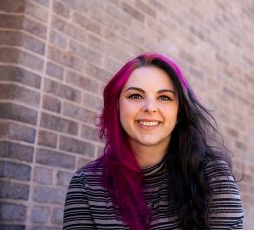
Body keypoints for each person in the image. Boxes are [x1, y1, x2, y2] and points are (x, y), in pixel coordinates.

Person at [63, 53, 244, 230]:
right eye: (135, 96)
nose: (150, 107)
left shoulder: (212, 174)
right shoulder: (85, 184)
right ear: (117, 106)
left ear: (180, 112)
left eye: (164, 97)